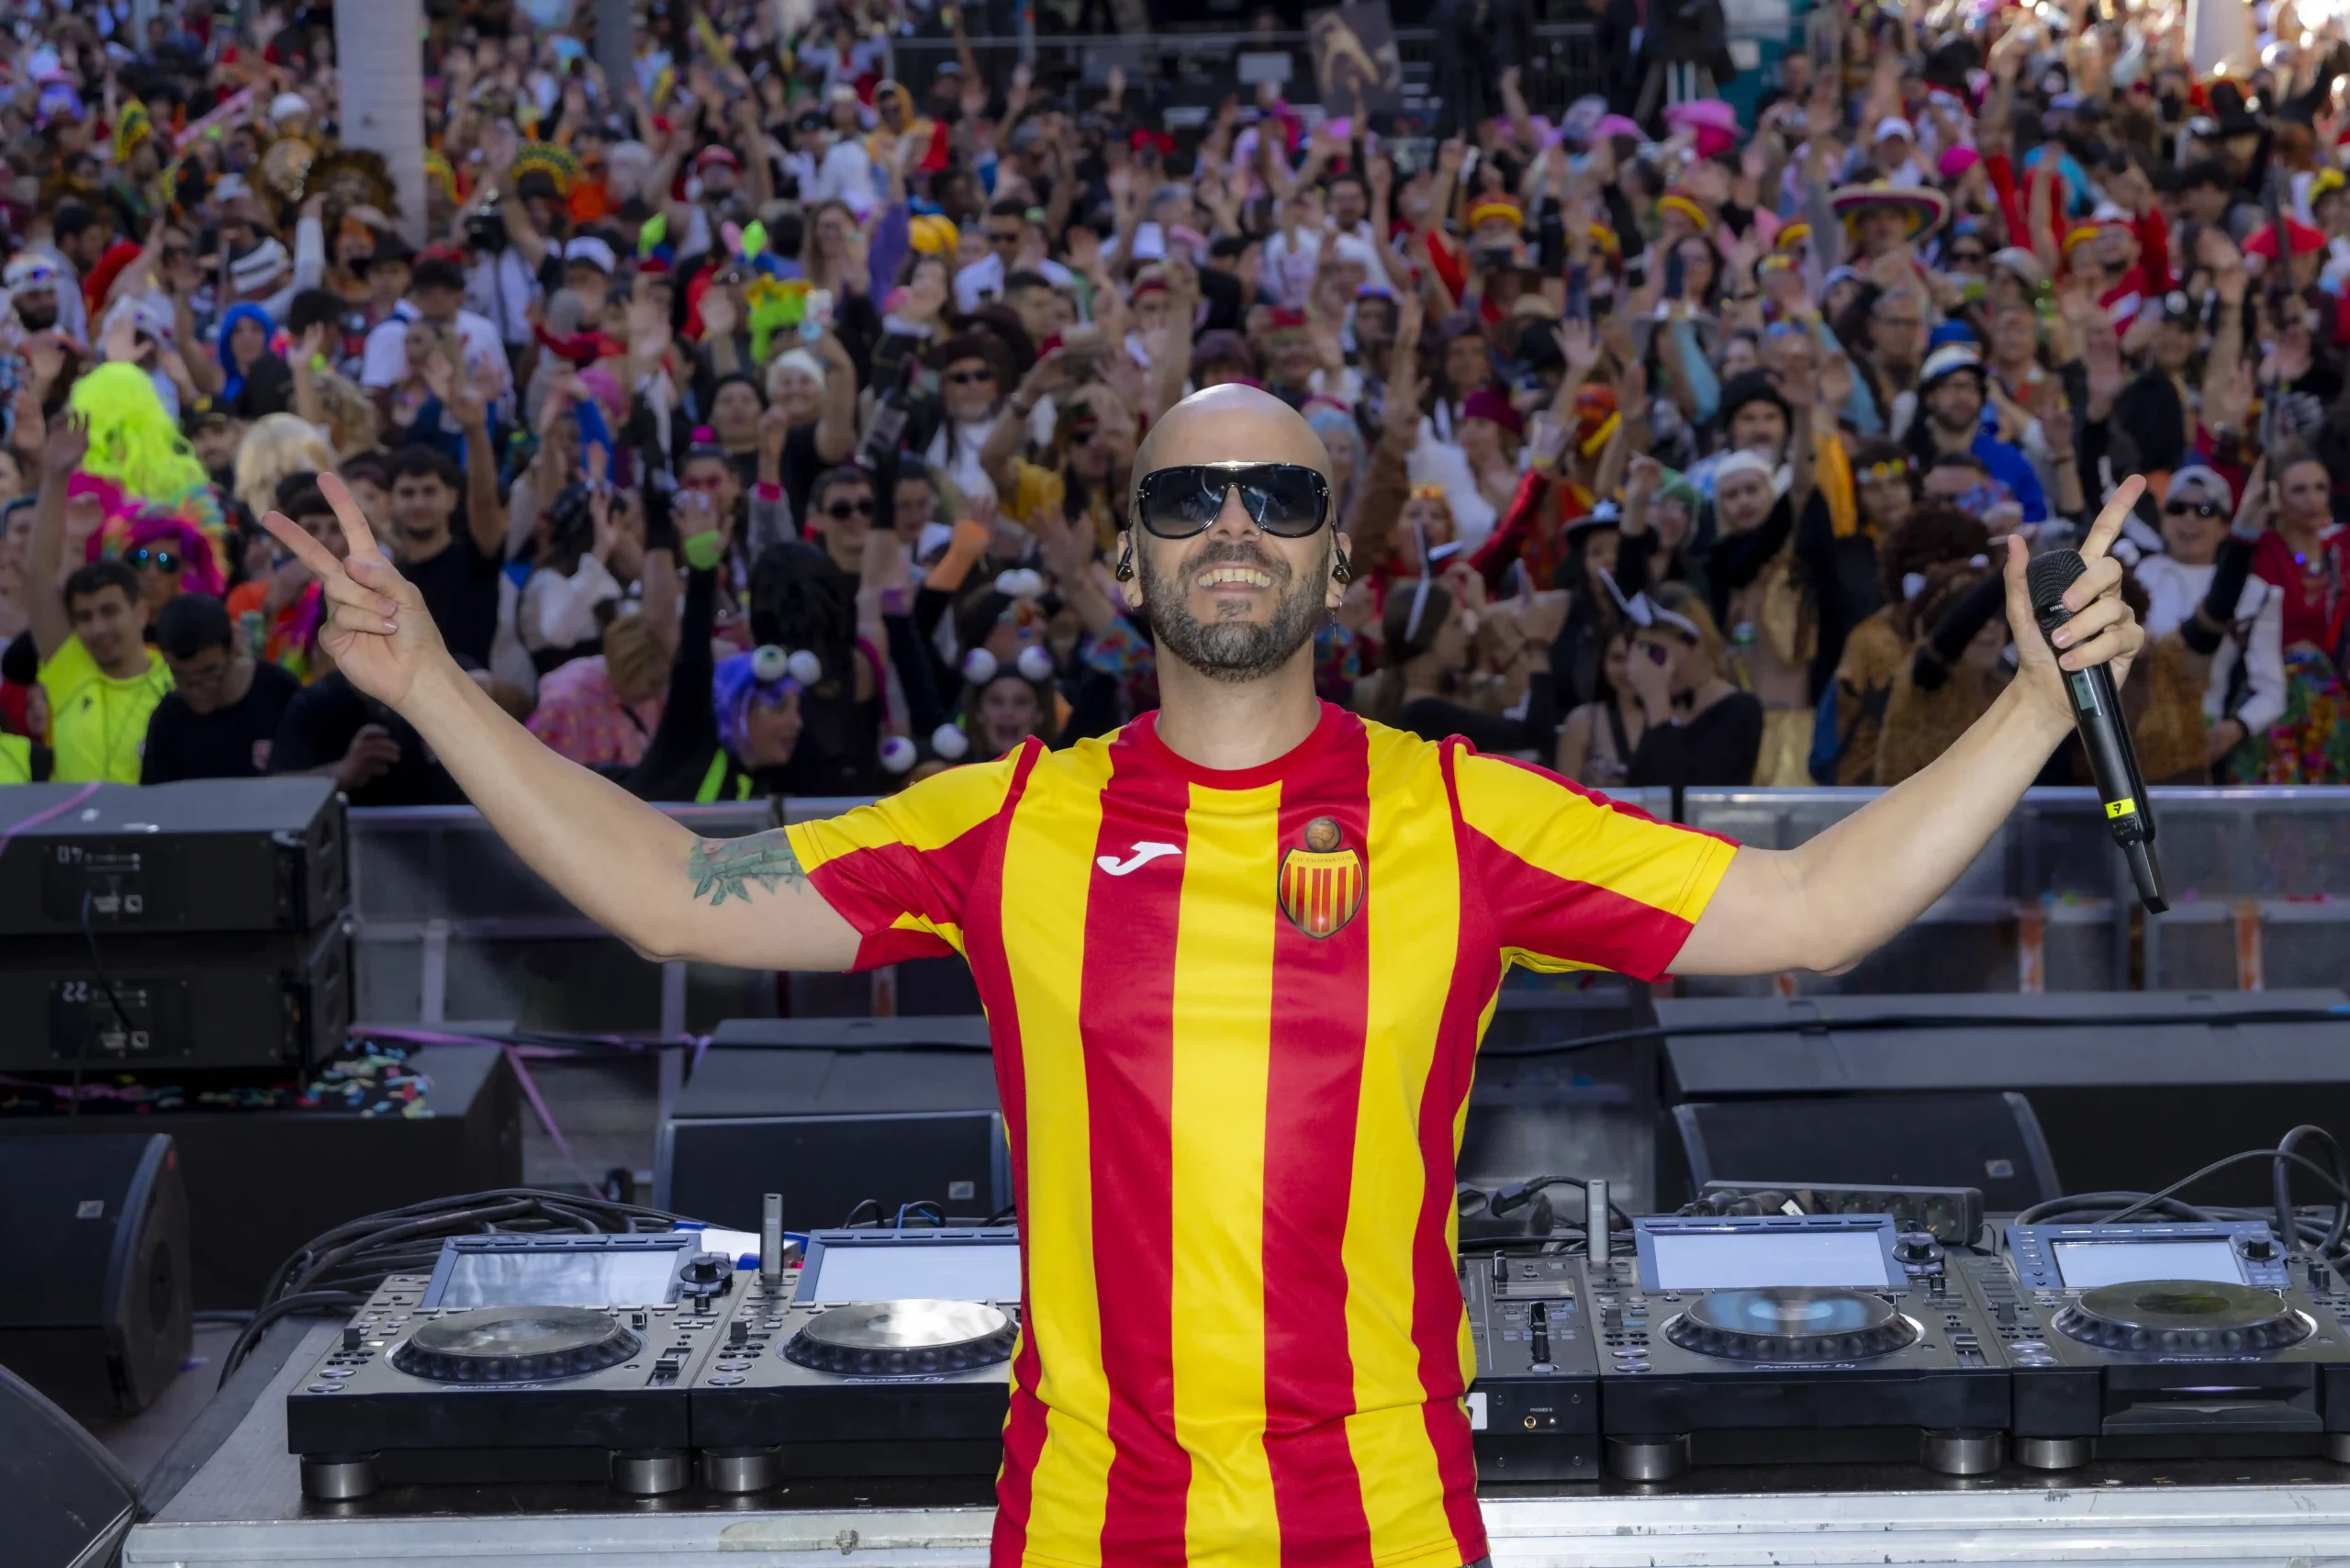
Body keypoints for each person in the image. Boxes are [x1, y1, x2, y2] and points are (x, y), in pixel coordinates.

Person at [267, 382, 2145, 1568]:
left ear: (1335, 559)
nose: (1229, 524)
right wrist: (430, 679)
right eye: (1184, 499)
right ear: (1133, 558)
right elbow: (678, 890)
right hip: (1088, 1519)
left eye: (1273, 496)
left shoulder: (1459, 813)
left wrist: (2042, 706)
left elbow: (1808, 906)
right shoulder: (1008, 818)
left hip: (1383, 1516)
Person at [11, 418, 174, 784]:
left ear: (141, 611)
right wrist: (55, 476)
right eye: (84, 617)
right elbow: (38, 577)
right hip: (71, 824)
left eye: (109, 611)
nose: (97, 628)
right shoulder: (71, 670)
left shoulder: (174, 683)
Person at [140, 592, 301, 782]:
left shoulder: (281, 694)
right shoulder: (168, 720)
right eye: (181, 677)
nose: (196, 691)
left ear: (233, 649)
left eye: (209, 672)